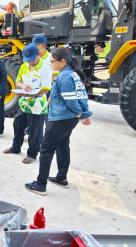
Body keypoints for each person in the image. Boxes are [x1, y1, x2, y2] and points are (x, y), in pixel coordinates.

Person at [25, 47, 92, 196]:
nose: (50, 65)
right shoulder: (72, 74)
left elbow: (72, 101)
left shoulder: (65, 76)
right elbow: (81, 96)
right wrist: (82, 113)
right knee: (63, 146)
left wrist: (82, 115)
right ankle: (61, 178)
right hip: (68, 120)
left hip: (61, 119)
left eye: (52, 62)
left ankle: (40, 184)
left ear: (62, 61)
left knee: (45, 150)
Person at [3, 43, 52, 164]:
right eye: (27, 60)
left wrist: (32, 94)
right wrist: (23, 86)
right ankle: (16, 147)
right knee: (18, 124)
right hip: (24, 103)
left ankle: (32, 154)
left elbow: (46, 88)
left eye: (32, 60)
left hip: (38, 105)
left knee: (35, 131)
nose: (30, 62)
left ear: (38, 55)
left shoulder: (45, 68)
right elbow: (18, 81)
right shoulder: (24, 66)